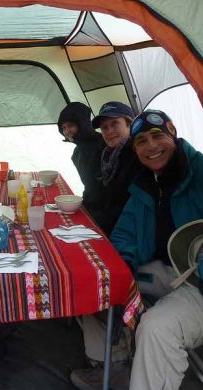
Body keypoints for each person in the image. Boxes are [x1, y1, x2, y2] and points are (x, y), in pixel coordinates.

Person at [71, 109, 203, 390]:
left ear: (173, 133)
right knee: (95, 281)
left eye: (157, 136)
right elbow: (125, 235)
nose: (151, 147)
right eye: (141, 141)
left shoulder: (199, 172)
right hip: (166, 273)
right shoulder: (145, 184)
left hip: (197, 284)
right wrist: (119, 274)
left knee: (156, 328)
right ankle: (112, 364)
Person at [90, 101, 140, 236]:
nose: (109, 131)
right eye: (104, 127)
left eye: (114, 124)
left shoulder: (137, 155)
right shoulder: (107, 155)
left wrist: (95, 224)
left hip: (127, 232)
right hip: (110, 224)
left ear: (130, 124)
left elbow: (126, 206)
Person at [57, 102, 105, 218]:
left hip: (106, 210)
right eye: (63, 128)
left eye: (70, 125)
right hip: (91, 203)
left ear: (83, 123)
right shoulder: (77, 152)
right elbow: (90, 187)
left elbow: (103, 189)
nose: (67, 131)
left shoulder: (102, 144)